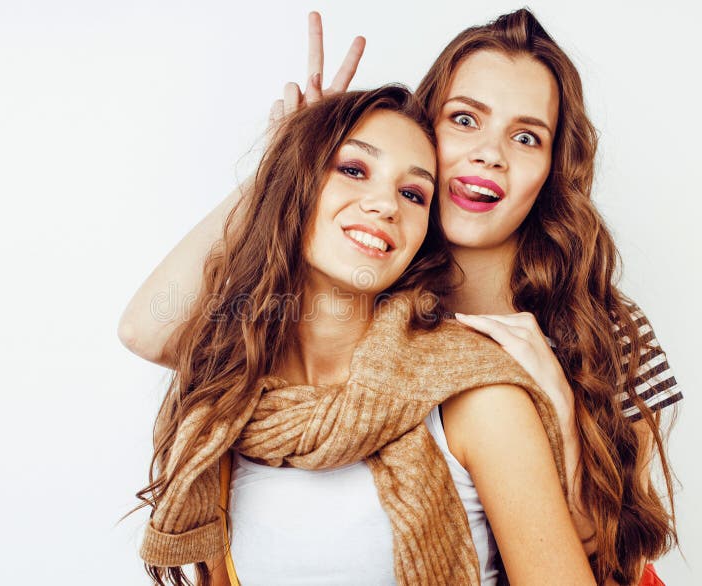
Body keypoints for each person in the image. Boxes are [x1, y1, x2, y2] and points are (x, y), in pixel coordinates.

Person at [119, 9, 682, 585]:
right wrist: (292, 162)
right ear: (425, 129)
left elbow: (617, 555)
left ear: (551, 167)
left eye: (525, 136)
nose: (490, 154)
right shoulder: (359, 292)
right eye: (465, 119)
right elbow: (150, 330)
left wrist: (558, 409)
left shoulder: (603, 327)